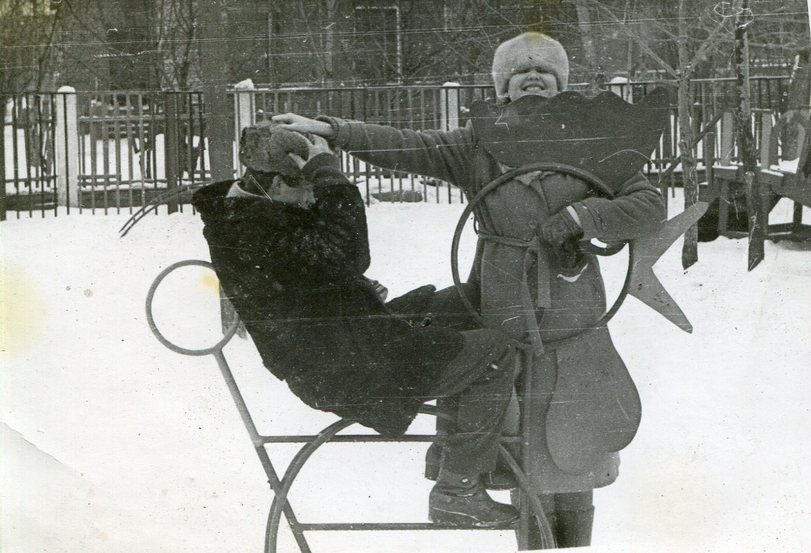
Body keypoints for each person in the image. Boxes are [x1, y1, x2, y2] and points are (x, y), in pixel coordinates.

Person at [272, 32, 667, 548]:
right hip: (499, 300)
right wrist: (331, 130)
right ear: (502, 87)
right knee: (504, 412)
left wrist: (580, 216)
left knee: (569, 432)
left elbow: (647, 206)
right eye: (520, 72)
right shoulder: (479, 145)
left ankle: (568, 540)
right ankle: (486, 502)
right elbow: (407, 144)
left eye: (544, 72)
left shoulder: (595, 145)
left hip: (571, 315)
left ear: (561, 85)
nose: (532, 78)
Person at [191, 122, 522, 528]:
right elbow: (350, 252)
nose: (313, 198)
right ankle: (457, 492)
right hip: (344, 368)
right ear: (276, 184)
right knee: (496, 350)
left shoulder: (254, 210)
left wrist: (348, 288)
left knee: (463, 302)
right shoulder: (250, 227)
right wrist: (329, 174)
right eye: (305, 188)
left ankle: (454, 455)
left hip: (346, 340)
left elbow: (321, 266)